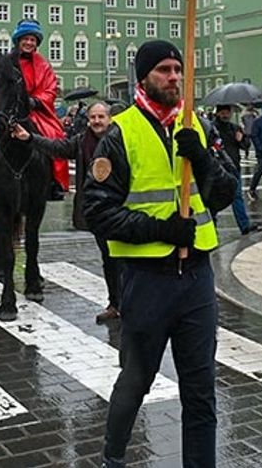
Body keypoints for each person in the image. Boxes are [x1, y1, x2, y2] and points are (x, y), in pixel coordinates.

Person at [83, 40, 236, 468]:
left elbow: (225, 193)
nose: (173, 77)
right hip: (146, 279)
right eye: (164, 70)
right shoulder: (120, 132)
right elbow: (96, 210)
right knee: (135, 381)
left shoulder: (197, 126)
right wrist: (162, 229)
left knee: (201, 388)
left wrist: (202, 159)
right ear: (144, 77)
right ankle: (113, 458)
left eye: (177, 69)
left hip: (197, 279)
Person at [13, 101, 122, 322]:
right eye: (93, 117)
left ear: (109, 119)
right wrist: (30, 138)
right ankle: (116, 304)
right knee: (109, 258)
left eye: (101, 117)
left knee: (124, 259)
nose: (97, 121)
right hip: (98, 210)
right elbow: (58, 148)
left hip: (121, 207)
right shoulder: (83, 141)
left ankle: (130, 303)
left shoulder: (121, 140)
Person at [0, 19, 69, 197]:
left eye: (33, 39)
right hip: (4, 108)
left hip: (33, 111)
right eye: (25, 38)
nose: (29, 42)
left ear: (37, 43)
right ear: (18, 40)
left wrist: (35, 101)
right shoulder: (5, 62)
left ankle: (54, 181)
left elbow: (50, 89)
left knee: (54, 133)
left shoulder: (44, 65)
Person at [212, 104, 258, 235]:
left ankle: (244, 225)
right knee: (214, 197)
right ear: (218, 113)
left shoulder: (235, 128)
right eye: (223, 112)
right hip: (216, 169)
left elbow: (246, 145)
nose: (225, 115)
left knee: (237, 197)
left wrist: (241, 139)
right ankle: (212, 225)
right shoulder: (212, 128)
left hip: (233, 167)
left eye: (227, 112)